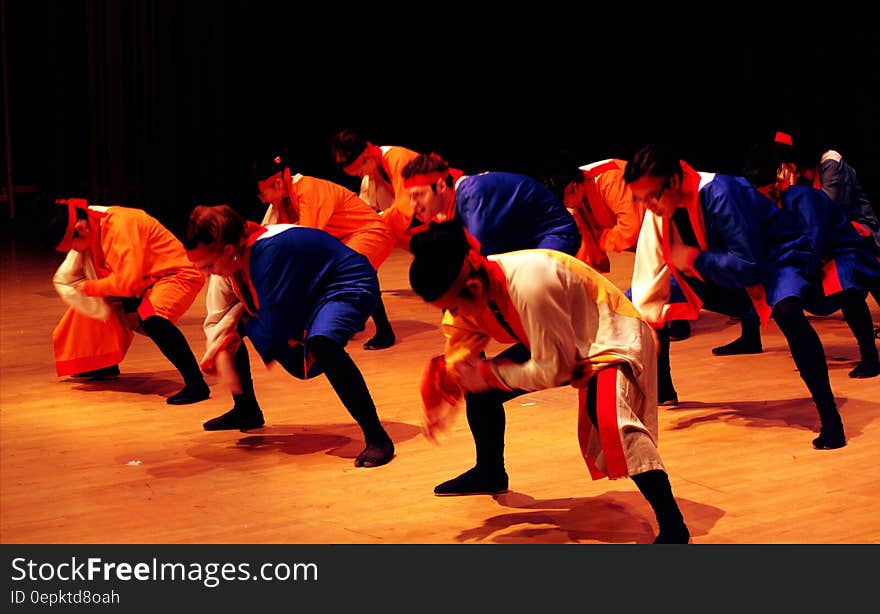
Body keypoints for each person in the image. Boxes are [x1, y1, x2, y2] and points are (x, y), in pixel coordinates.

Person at [409, 219, 690, 544]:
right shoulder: (470, 298)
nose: (453, 314)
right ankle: (490, 471)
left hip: (608, 337)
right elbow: (458, 360)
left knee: (611, 419)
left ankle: (673, 523)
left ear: (472, 287)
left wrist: (486, 375)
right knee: (482, 394)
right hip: (558, 344)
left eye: (454, 307)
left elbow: (555, 369)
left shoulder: (531, 282)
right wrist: (440, 400)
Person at [625, 144, 846, 450]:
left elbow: (748, 267)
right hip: (720, 268)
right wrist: (650, 321)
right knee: (639, 304)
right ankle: (662, 389)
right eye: (641, 199)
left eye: (651, 196)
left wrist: (692, 260)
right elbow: (650, 280)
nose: (648, 205)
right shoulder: (660, 209)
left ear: (673, 182)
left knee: (788, 311)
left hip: (775, 259)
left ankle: (830, 416)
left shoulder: (720, 193)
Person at [183, 204, 395, 468]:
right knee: (236, 325)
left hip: (347, 283)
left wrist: (240, 325)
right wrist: (222, 348)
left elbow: (274, 329)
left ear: (227, 250)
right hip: (311, 292)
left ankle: (377, 437)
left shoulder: (267, 252)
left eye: (207, 266)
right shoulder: (229, 262)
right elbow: (218, 318)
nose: (205, 274)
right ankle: (246, 409)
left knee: (322, 343)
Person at [42, 197, 210, 405]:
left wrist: (89, 288)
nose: (75, 252)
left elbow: (127, 282)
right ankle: (103, 362)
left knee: (152, 319)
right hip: (145, 279)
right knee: (94, 304)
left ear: (81, 228)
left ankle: (196, 384)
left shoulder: (120, 225)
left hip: (175, 274)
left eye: (73, 246)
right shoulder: (96, 226)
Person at [740, 143, 880, 378]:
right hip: (807, 258)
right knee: (777, 292)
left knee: (844, 284)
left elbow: (816, 242)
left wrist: (798, 274)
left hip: (841, 250)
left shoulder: (803, 198)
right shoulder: (760, 204)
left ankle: (870, 357)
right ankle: (761, 339)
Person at [543, 155, 691, 349]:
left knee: (631, 302)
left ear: (572, 187)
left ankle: (681, 318)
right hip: (649, 236)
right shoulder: (579, 195)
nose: (566, 207)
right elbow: (587, 246)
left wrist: (603, 239)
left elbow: (632, 228)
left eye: (564, 201)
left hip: (664, 223)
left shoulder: (608, 178)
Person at [251, 154, 397, 350]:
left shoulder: (307, 189)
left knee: (346, 271)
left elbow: (305, 240)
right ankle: (342, 321)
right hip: (347, 237)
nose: (263, 201)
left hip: (371, 232)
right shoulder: (287, 199)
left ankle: (382, 330)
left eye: (263, 194)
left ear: (277, 184)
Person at [775, 131, 880, 338]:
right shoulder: (801, 176)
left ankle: (868, 351)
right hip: (832, 232)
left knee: (849, 276)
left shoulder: (831, 164)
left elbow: (825, 209)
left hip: (858, 228)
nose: (785, 166)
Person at [401, 152, 581, 257]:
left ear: (440, 185)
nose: (412, 204)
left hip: (556, 233)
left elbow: (483, 255)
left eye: (418, 195)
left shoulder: (472, 195)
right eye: (410, 197)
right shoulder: (453, 206)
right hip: (526, 242)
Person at [329, 128, 423, 251]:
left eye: (360, 173)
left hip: (449, 211)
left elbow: (405, 208)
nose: (362, 177)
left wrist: (375, 221)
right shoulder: (372, 177)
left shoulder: (398, 158)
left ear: (366, 155)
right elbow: (364, 215)